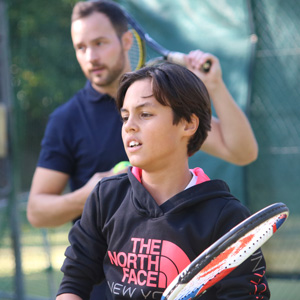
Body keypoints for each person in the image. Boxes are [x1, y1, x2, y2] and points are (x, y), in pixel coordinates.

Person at [27, 1, 258, 298]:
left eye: (99, 43)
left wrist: (215, 86)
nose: (91, 56)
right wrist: (87, 195)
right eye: (80, 47)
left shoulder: (167, 107)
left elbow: (242, 152)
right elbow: (36, 211)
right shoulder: (66, 120)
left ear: (126, 41)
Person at [56, 62, 269, 300]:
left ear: (188, 123)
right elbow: (74, 282)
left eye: (145, 114)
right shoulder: (106, 198)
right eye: (125, 117)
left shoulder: (226, 217)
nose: (130, 127)